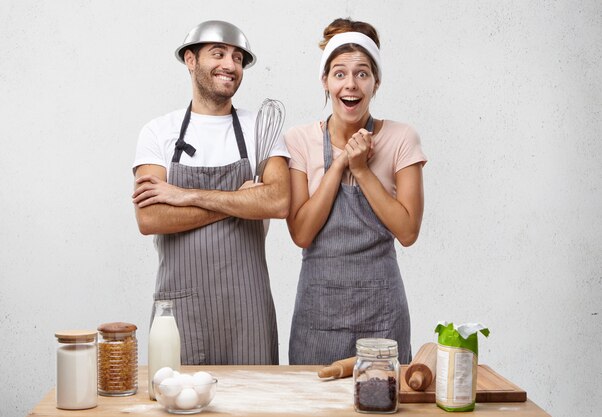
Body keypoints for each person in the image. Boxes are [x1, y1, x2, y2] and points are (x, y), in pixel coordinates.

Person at [132, 20, 290, 365]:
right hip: (181, 308)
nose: (230, 65)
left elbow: (278, 201)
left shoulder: (258, 128)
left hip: (248, 308)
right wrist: (243, 200)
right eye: (218, 54)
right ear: (191, 60)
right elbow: (150, 217)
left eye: (237, 58)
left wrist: (186, 195)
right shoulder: (158, 131)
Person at [285, 18, 427, 365]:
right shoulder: (299, 140)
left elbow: (407, 232)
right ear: (325, 81)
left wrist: (362, 170)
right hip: (318, 315)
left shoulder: (401, 138)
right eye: (339, 73)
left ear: (376, 83)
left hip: (382, 311)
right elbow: (301, 233)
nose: (351, 85)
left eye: (363, 73)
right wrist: (338, 165)